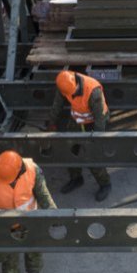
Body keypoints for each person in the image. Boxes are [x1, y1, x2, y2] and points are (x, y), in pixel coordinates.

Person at [47, 69, 112, 201]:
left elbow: (100, 119)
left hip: (93, 123)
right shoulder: (64, 84)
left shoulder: (93, 91)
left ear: (76, 84)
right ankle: (76, 178)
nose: (70, 95)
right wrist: (51, 122)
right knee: (70, 150)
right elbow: (57, 105)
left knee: (92, 155)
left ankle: (105, 184)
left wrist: (95, 139)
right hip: (77, 120)